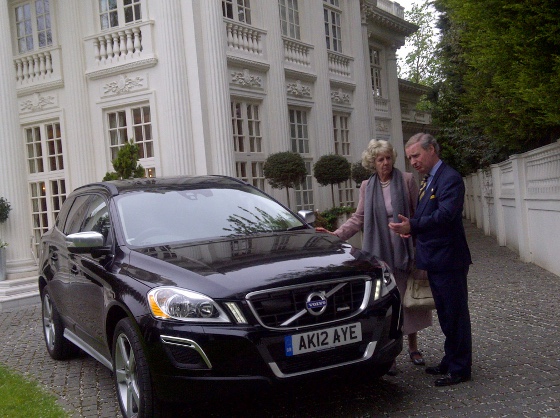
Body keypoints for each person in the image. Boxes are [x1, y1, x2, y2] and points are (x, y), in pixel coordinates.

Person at [317, 139, 432, 375]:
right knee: (387, 305)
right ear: (373, 162)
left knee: (407, 300)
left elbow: (417, 214)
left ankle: (413, 346)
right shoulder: (367, 187)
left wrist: (420, 245)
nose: (386, 163)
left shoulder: (408, 180)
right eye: (380, 159)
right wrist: (336, 235)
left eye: (388, 158)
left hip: (404, 250)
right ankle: (390, 354)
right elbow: (359, 218)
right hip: (380, 254)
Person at [388, 133, 473, 387]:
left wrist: (412, 226)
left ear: (432, 149)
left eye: (416, 155)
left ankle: (460, 368)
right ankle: (451, 359)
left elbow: (446, 216)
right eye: (409, 158)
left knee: (455, 314)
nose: (412, 162)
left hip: (449, 258)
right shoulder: (428, 180)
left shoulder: (450, 178)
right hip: (435, 259)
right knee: (446, 315)